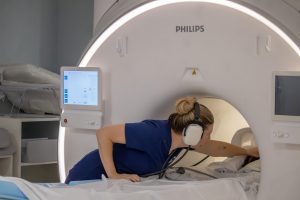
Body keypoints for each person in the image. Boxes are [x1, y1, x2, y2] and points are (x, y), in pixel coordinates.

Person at [65, 96, 259, 183]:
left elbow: (217, 149)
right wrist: (114, 175)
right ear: (192, 131)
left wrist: (247, 152)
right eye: (207, 133)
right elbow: (104, 133)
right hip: (88, 177)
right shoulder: (153, 133)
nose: (209, 138)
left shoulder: (182, 141)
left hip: (107, 187)